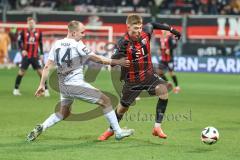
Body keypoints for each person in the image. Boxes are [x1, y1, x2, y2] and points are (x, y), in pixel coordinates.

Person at [26, 20, 134, 142]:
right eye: (82, 32)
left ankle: (42, 126)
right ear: (73, 33)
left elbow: (46, 67)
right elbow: (97, 59)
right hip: (74, 85)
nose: (83, 35)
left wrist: (41, 85)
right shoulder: (76, 44)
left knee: (63, 113)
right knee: (106, 101)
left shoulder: (57, 44)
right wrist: (117, 62)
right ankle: (118, 132)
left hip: (63, 85)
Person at [98, 14, 181, 141]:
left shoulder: (145, 33)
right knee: (122, 108)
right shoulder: (123, 43)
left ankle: (157, 127)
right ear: (128, 27)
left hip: (149, 76)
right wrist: (119, 63)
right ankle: (110, 130)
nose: (138, 31)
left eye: (140, 28)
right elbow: (112, 61)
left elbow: (153, 24)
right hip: (132, 81)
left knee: (163, 91)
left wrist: (171, 29)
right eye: (135, 28)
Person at [13, 17, 49, 96]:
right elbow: (19, 42)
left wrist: (42, 54)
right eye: (29, 23)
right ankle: (16, 89)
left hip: (35, 55)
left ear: (35, 23)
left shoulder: (39, 32)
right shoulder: (23, 32)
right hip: (26, 56)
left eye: (32, 22)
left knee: (41, 72)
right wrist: (22, 50)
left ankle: (45, 90)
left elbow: (40, 43)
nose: (31, 24)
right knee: (21, 72)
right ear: (27, 23)